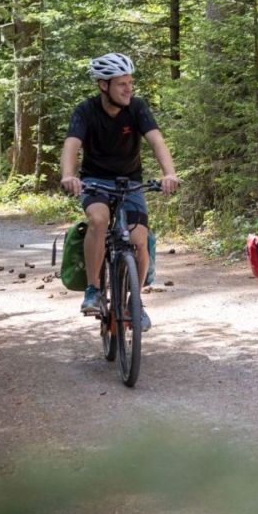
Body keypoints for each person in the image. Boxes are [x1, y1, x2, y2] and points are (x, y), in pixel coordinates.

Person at [60, 52, 179, 328]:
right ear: (103, 85)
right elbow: (72, 144)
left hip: (130, 182)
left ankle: (134, 301)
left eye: (130, 83)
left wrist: (169, 173)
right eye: (121, 84)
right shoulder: (86, 111)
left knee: (139, 239)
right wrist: (69, 176)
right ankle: (93, 290)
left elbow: (156, 141)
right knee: (99, 220)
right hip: (94, 181)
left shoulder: (136, 108)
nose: (129, 89)